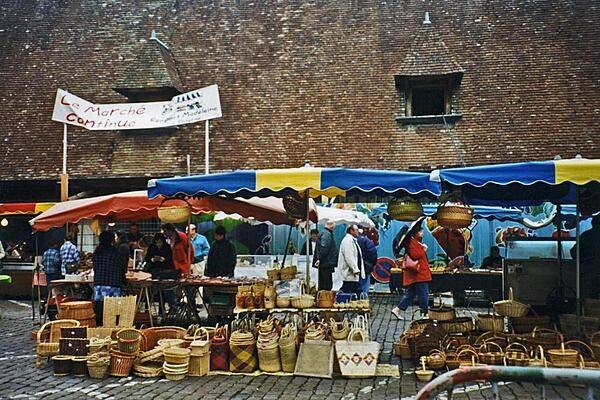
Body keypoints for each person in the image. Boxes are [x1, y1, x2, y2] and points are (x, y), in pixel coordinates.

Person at [391, 218, 432, 320]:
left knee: (411, 293)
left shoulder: (415, 241)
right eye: (420, 231)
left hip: (417, 273)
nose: (422, 233)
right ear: (416, 233)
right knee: (424, 293)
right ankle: (425, 313)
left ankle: (397, 309)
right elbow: (415, 255)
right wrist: (424, 249)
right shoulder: (412, 242)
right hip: (419, 273)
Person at [92, 231, 127, 326]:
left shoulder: (96, 253)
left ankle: (99, 331)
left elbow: (95, 269)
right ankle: (112, 331)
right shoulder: (116, 253)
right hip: (113, 286)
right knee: (113, 313)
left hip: (99, 286)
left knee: (99, 312)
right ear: (112, 240)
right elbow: (123, 269)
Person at [144, 232, 178, 308]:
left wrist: (163, 259)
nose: (158, 244)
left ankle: (161, 309)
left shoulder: (167, 247)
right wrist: (152, 259)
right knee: (150, 291)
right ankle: (147, 309)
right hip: (153, 271)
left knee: (162, 292)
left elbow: (170, 259)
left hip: (164, 271)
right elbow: (147, 258)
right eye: (156, 242)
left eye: (159, 242)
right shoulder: (152, 247)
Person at [570, 214, 600, 299]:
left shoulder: (586, 235)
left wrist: (583, 261)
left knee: (587, 300)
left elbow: (574, 252)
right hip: (590, 271)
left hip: (588, 272)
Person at [338, 224, 364, 296]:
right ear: (351, 231)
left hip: (352, 274)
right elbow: (349, 257)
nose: (358, 232)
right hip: (349, 272)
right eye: (356, 230)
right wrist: (355, 269)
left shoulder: (352, 240)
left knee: (352, 290)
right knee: (348, 290)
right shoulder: (348, 241)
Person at [313, 221, 338, 290]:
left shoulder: (324, 233)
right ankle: (326, 299)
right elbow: (324, 247)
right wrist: (319, 258)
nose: (334, 228)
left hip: (324, 263)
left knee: (323, 283)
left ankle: (323, 298)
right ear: (331, 226)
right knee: (326, 284)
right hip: (326, 263)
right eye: (334, 226)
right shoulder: (327, 234)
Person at [357, 227, 378, 298]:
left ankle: (357, 297)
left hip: (356, 265)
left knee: (358, 282)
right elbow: (373, 253)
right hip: (366, 265)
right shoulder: (367, 241)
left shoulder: (353, 240)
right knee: (365, 282)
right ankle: (364, 298)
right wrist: (372, 263)